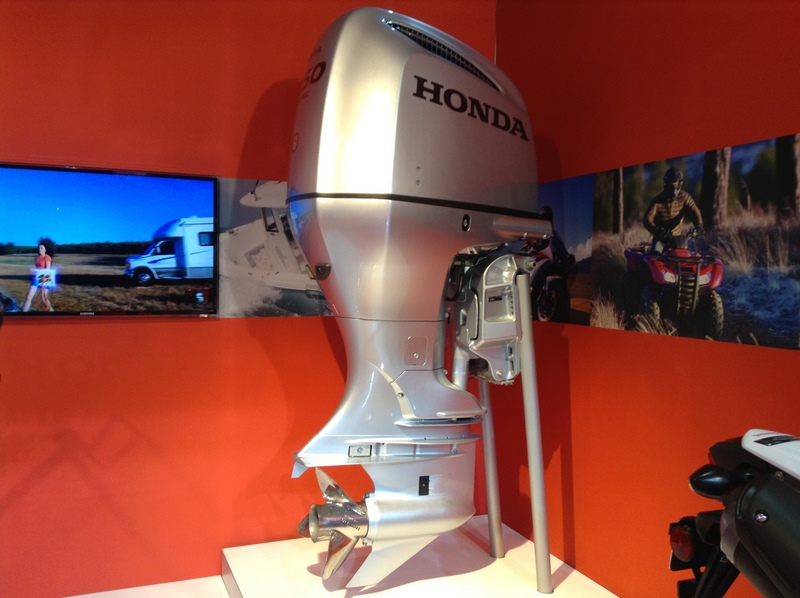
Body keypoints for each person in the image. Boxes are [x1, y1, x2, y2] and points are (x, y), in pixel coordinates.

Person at [643, 167, 703, 252]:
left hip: (678, 240)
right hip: (660, 240)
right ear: (665, 184)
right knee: (656, 255)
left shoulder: (684, 197)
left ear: (679, 184)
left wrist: (699, 226)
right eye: (670, 184)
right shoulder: (657, 201)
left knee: (686, 256)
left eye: (675, 184)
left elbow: (694, 212)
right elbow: (647, 220)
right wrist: (658, 231)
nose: (673, 187)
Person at [22, 243, 54, 312]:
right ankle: (23, 314)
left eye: (42, 248)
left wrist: (35, 270)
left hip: (45, 277)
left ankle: (51, 311)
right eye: (39, 248)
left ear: (45, 250)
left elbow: (47, 270)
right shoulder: (36, 258)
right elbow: (38, 268)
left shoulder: (47, 257)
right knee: (29, 296)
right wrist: (34, 271)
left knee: (43, 298)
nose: (40, 249)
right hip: (36, 278)